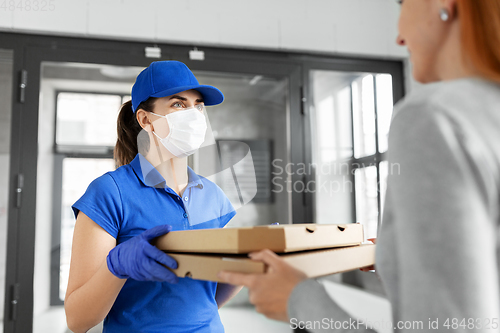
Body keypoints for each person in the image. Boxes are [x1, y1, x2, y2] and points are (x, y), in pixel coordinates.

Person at [218, 0, 500, 331]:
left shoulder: (433, 118)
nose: (398, 37)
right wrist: (402, 257)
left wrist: (299, 300)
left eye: (403, 5)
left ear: (441, 5)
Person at [65, 60, 242, 333]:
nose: (194, 115)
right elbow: (77, 320)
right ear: (146, 120)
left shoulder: (213, 196)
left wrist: (248, 268)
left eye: (198, 106)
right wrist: (117, 266)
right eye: (178, 104)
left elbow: (207, 299)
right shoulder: (110, 192)